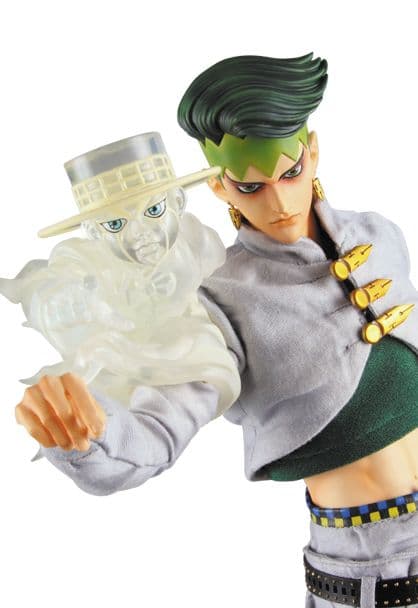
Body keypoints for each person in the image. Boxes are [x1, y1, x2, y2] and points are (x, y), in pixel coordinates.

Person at [12, 55, 418, 607]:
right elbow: (160, 425)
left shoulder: (379, 235)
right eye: (250, 186)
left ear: (313, 150)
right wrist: (90, 433)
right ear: (219, 186)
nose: (279, 202)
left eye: (290, 172)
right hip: (373, 564)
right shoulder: (218, 298)